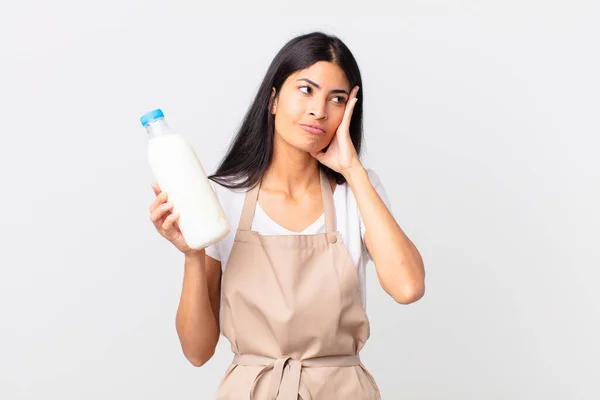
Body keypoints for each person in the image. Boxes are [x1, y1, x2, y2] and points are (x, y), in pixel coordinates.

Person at [148, 31, 425, 399]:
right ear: (274, 99)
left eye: (337, 98)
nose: (319, 110)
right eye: (306, 90)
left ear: (349, 111)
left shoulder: (355, 192)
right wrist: (193, 254)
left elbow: (408, 287)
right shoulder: (223, 196)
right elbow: (197, 352)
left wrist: (353, 171)